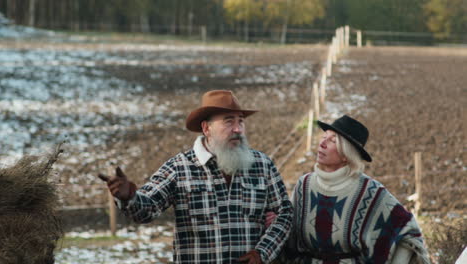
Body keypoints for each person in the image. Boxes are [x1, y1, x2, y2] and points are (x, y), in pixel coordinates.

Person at [99, 90, 293, 264]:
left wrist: (262, 253)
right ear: (206, 128)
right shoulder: (179, 168)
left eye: (240, 121)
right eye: (228, 121)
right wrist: (129, 197)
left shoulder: (262, 165)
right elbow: (147, 209)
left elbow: (284, 213)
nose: (238, 129)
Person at [268, 115, 430, 263]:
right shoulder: (304, 185)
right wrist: (278, 221)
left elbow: (405, 228)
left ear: (346, 154)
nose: (322, 143)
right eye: (324, 137)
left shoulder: (369, 192)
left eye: (332, 140)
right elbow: (291, 234)